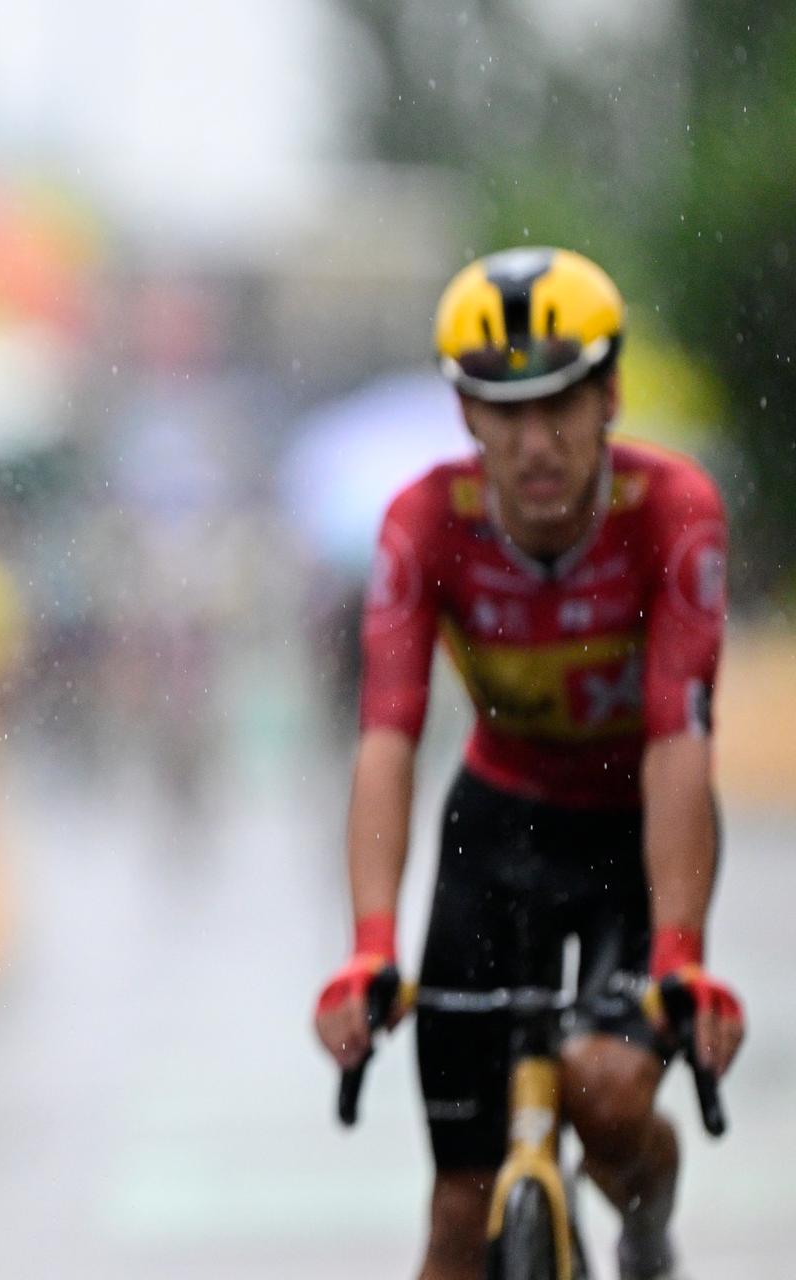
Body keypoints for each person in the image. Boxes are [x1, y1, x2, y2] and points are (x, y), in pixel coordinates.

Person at [311, 247, 746, 1280]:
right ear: (466, 414)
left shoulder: (672, 510)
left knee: (606, 1091)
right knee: (457, 1217)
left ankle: (645, 1220)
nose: (536, 442)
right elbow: (387, 734)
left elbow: (681, 739)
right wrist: (370, 947)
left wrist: (681, 954)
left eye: (561, 406)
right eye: (505, 412)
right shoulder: (424, 520)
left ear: (611, 398)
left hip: (636, 827)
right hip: (499, 825)